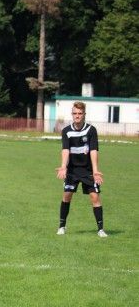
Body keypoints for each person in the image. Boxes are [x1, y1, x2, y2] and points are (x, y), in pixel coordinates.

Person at [55, 101, 107, 237]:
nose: (77, 116)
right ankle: (62, 226)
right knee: (67, 195)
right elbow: (65, 150)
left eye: (80, 113)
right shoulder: (66, 131)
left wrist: (95, 171)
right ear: (72, 114)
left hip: (87, 170)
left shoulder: (91, 130)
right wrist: (63, 166)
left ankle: (101, 229)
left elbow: (93, 151)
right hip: (72, 170)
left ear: (84, 114)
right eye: (75, 113)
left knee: (95, 197)